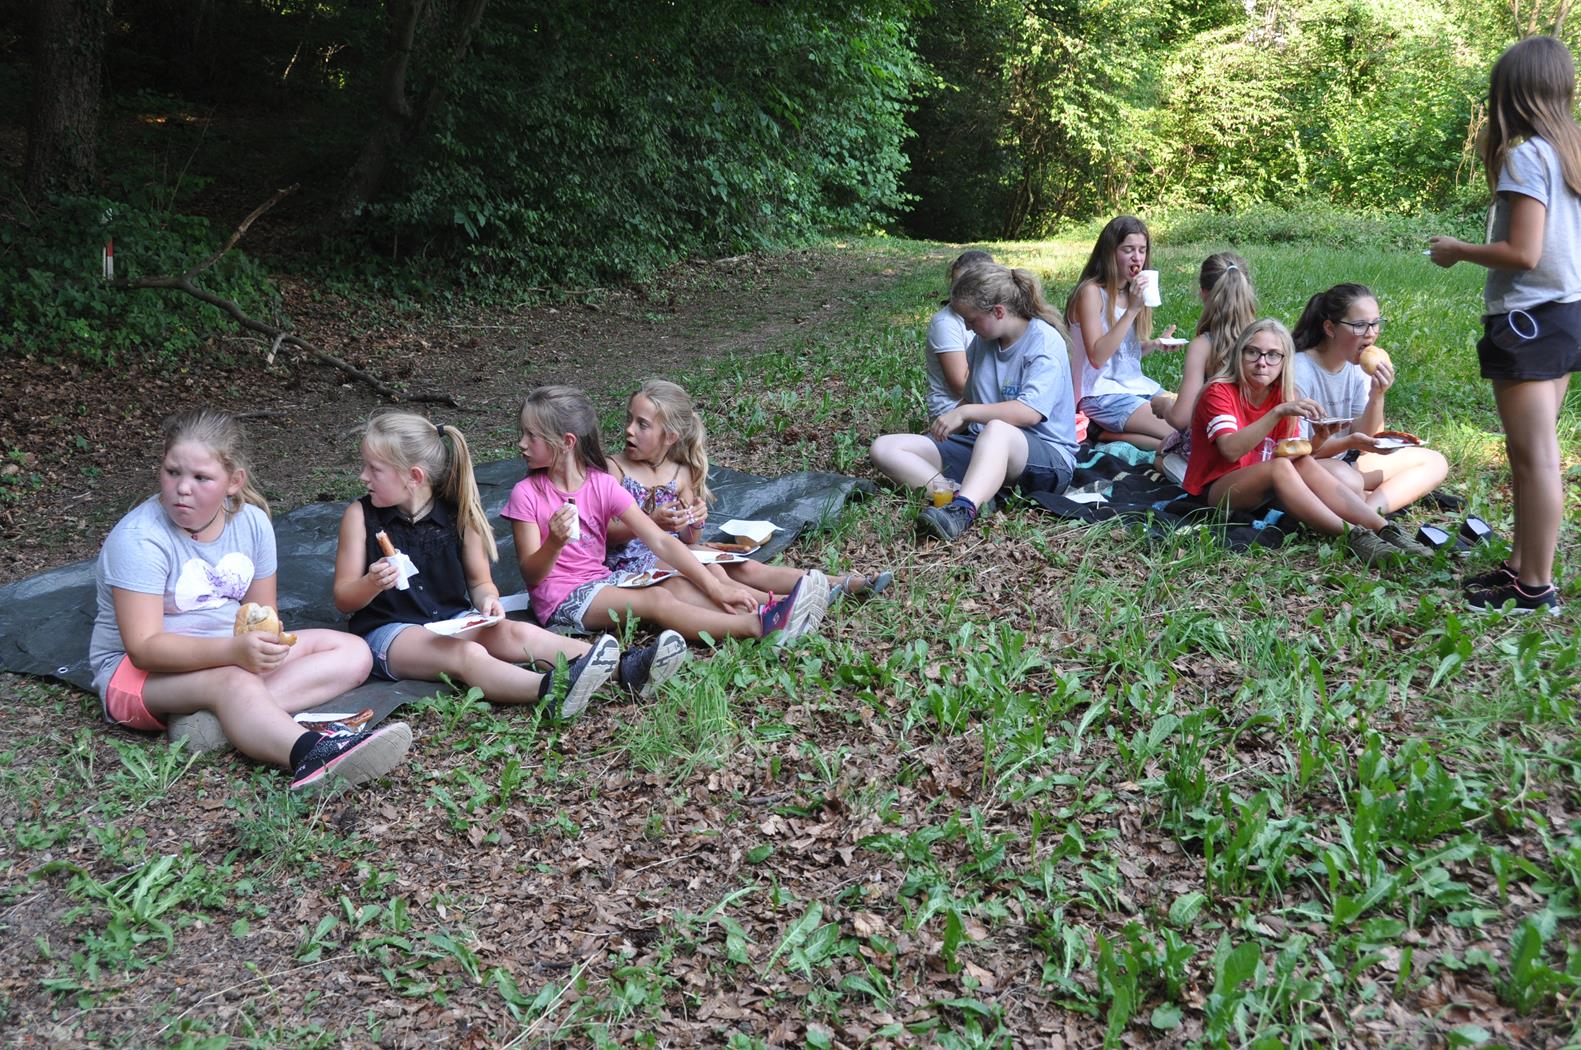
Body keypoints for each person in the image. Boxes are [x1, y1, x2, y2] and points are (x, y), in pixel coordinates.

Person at [87, 408, 410, 792]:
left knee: (353, 651)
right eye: (173, 472)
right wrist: (234, 653)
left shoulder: (252, 523)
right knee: (231, 681)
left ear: (234, 481)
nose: (182, 487)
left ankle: (219, 720)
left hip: (229, 655)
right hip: (139, 676)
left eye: (201, 477)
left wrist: (266, 645)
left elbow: (261, 615)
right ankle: (313, 756)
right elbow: (143, 650)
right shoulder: (140, 539)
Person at [332, 410, 684, 719]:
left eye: (374, 469)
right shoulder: (360, 516)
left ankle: (627, 667)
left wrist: (488, 600)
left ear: (414, 476)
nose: (363, 477)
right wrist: (371, 583)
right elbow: (344, 599)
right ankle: (550, 691)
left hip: (450, 621)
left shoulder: (459, 514)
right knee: (467, 654)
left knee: (518, 633)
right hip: (389, 633)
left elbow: (480, 582)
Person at [1429, 35, 1579, 615]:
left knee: (1536, 455)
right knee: (1525, 452)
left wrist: (1458, 250)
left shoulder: (1528, 156)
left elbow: (1523, 252)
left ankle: (1535, 587)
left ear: (1511, 94)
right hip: (1565, 316)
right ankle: (1520, 565)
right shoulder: (1570, 153)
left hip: (1529, 321)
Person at [506, 385, 829, 644]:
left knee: (677, 585)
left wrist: (716, 588)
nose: (521, 443)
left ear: (566, 442)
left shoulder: (601, 484)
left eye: (531, 435)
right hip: (559, 598)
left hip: (602, 581)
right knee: (658, 600)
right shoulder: (526, 494)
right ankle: (759, 626)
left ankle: (774, 608)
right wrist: (554, 543)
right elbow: (532, 575)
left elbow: (661, 541)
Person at [605, 379, 892, 602]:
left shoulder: (680, 472)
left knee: (748, 568)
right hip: (631, 559)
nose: (629, 430)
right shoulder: (615, 469)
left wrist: (695, 521)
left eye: (642, 425)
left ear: (670, 436)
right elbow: (603, 534)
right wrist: (652, 522)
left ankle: (840, 583)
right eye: (630, 420)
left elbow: (690, 538)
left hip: (678, 549)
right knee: (715, 574)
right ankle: (780, 604)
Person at [870, 262, 1078, 542]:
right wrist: (942, 430)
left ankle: (964, 510)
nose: (967, 326)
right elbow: (971, 397)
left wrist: (966, 413)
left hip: (1048, 460)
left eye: (971, 319)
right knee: (886, 448)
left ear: (999, 312)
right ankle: (962, 496)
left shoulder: (1043, 342)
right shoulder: (982, 342)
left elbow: (1028, 412)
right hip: (984, 445)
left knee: (997, 429)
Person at [1182, 320, 1413, 564]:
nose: (1262, 362)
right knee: (1281, 466)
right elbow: (1230, 450)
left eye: (1273, 355)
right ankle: (1352, 535)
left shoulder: (1283, 394)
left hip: (1262, 488)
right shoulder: (1219, 392)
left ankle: (1385, 529)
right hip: (1217, 493)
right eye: (1253, 352)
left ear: (1285, 361)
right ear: (1239, 354)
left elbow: (1291, 454)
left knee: (1301, 462)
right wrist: (1277, 413)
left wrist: (1327, 440)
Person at [1290, 284, 1449, 535]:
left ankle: (1366, 511)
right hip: (1311, 465)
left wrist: (1377, 395)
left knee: (1434, 462)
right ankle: (1362, 505)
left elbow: (1368, 440)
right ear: (1330, 328)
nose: (1371, 334)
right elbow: (1298, 451)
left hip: (1346, 461)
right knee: (1351, 481)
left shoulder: (1358, 367)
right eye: (1360, 325)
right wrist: (1349, 443)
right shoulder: (1300, 370)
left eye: (1375, 324)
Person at [1066, 215, 1181, 450]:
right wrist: (1132, 310)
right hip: (1100, 395)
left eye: (1142, 250)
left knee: (1190, 422)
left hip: (1137, 387)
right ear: (1110, 253)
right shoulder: (1091, 293)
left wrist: (1155, 343)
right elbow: (1098, 357)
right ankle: (1100, 432)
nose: (1137, 257)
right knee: (1180, 432)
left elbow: (1122, 354)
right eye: (1128, 250)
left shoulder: (1129, 292)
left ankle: (1104, 435)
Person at [1151, 251, 1257, 485]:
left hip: (1218, 447)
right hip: (1258, 441)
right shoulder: (1264, 339)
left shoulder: (1204, 345)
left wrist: (1164, 406)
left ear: (1204, 293)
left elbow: (1181, 418)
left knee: (1161, 455)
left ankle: (1199, 482)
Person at [925, 250, 995, 420]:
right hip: (953, 408)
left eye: (966, 286)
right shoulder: (945, 323)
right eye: (955, 284)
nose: (957, 291)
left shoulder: (993, 318)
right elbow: (961, 385)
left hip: (985, 400)